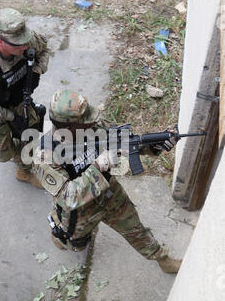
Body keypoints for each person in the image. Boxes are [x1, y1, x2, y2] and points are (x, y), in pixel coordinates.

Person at [32, 89, 182, 274]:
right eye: (85, 121)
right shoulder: (44, 155)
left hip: (109, 193)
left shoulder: (94, 127)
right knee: (75, 244)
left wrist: (154, 145)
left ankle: (162, 259)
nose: (93, 121)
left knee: (135, 228)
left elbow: (123, 142)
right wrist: (98, 165)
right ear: (69, 127)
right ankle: (60, 233)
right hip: (79, 212)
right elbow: (68, 197)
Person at [0, 8, 50, 188]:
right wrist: (12, 117)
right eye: (18, 44)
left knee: (30, 135)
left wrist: (36, 70)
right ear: (0, 41)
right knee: (3, 151)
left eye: (25, 41)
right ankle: (17, 157)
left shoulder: (28, 41)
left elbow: (45, 50)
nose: (25, 47)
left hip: (20, 100)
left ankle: (25, 170)